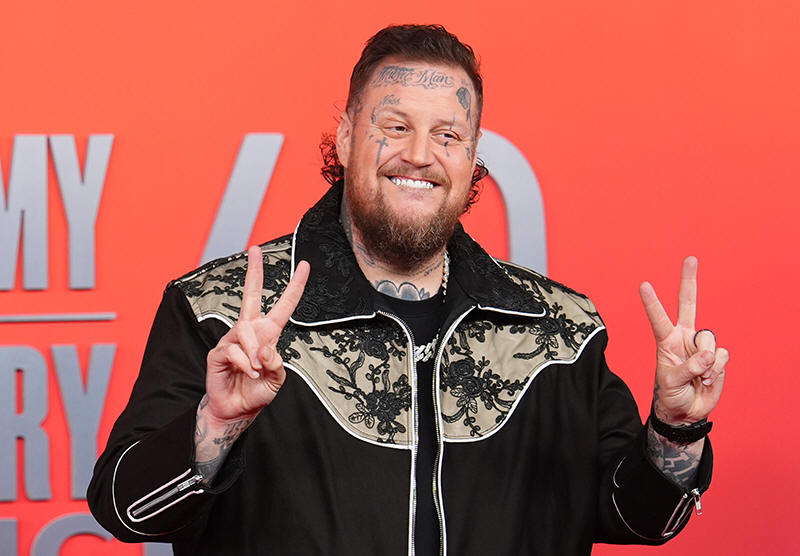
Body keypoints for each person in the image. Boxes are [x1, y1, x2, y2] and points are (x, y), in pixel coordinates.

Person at [87, 24, 728, 556]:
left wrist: (676, 430)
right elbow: (125, 510)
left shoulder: (559, 330)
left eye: (447, 136)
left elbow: (639, 519)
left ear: (472, 158)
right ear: (345, 137)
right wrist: (216, 423)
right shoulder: (218, 311)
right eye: (395, 127)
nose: (420, 154)